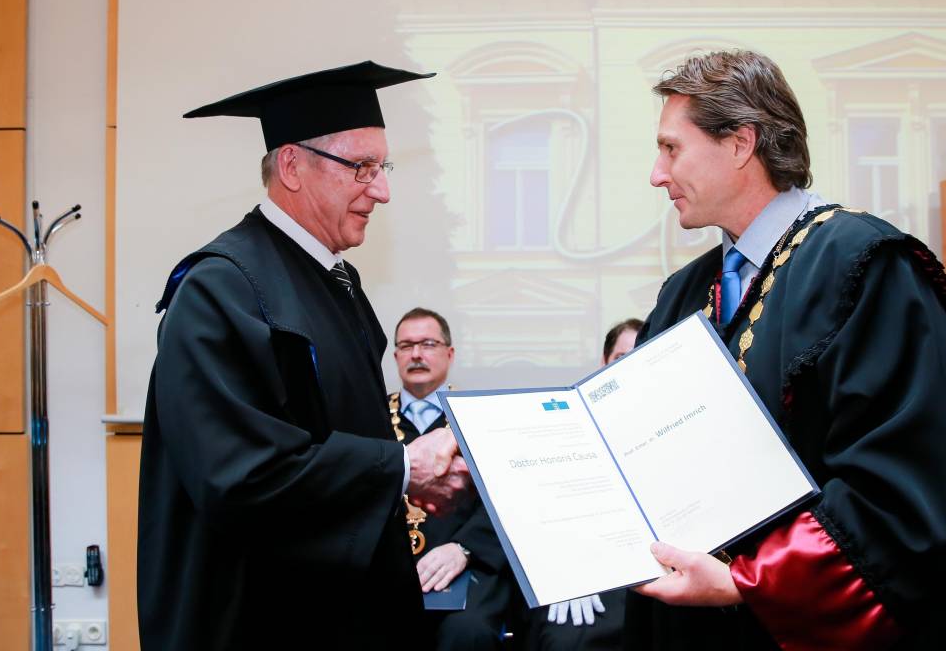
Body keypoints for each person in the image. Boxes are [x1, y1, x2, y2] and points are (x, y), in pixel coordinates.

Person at [623, 50, 946, 650]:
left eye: (672, 149)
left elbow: (902, 486)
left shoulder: (865, 265)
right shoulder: (684, 291)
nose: (657, 174)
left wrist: (748, 581)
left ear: (740, 143)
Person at [136, 61, 470, 650]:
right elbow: (241, 474)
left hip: (339, 606)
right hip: (259, 617)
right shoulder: (221, 289)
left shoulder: (336, 279)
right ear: (291, 166)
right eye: (362, 167)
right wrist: (399, 468)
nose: (382, 190)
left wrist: (401, 479)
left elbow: (334, 433)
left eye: (383, 168)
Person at [388, 307, 515, 650]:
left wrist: (464, 547)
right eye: (406, 345)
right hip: (390, 568)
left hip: (468, 562)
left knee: (466, 632)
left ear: (450, 353)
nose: (417, 354)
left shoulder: (479, 417)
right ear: (396, 356)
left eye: (428, 344)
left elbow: (507, 497)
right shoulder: (371, 416)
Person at [523, 318, 643, 651]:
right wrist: (571, 571)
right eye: (620, 358)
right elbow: (548, 506)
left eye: (638, 356)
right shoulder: (566, 422)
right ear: (604, 362)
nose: (627, 366)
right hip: (578, 563)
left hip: (653, 569)